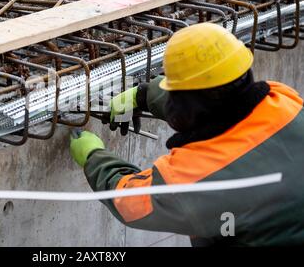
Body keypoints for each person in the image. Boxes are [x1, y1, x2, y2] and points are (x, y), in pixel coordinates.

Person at [69, 22, 304, 246]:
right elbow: (217, 106)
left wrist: (93, 157)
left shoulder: (194, 176)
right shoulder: (286, 101)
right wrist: (143, 95)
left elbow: (130, 201)